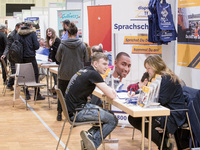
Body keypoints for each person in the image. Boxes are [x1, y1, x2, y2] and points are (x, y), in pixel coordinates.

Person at [128, 55, 186, 149]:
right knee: (133, 118)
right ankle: (164, 142)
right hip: (162, 110)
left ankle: (164, 145)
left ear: (156, 66)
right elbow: (149, 91)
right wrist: (136, 93)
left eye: (148, 68)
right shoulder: (157, 77)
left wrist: (142, 97)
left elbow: (160, 100)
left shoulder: (168, 79)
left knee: (143, 123)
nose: (147, 71)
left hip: (172, 114)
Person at [65, 52, 118, 150]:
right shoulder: (93, 74)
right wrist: (112, 91)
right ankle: (92, 143)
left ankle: (89, 138)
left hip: (73, 109)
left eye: (107, 64)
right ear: (95, 64)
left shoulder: (85, 70)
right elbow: (111, 95)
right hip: (77, 112)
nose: (106, 67)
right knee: (112, 120)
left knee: (109, 114)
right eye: (104, 64)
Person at [55, 22, 88, 121]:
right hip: (77, 76)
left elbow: (57, 58)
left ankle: (59, 114)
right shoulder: (82, 46)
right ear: (77, 33)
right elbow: (86, 60)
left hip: (64, 74)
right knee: (76, 95)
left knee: (61, 95)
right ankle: (74, 114)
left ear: (68, 33)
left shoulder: (62, 45)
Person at [18, 21, 45, 100]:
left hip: (21, 57)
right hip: (31, 57)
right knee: (36, 75)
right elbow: (36, 46)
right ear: (30, 26)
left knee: (24, 75)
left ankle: (27, 94)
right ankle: (37, 94)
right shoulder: (32, 33)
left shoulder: (19, 33)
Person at [1, 22, 23, 90]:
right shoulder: (12, 35)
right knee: (14, 71)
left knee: (17, 71)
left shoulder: (19, 34)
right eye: (21, 27)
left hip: (17, 56)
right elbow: (8, 45)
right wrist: (4, 54)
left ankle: (15, 84)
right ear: (17, 27)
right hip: (12, 56)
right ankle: (9, 84)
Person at [46, 28, 61, 94]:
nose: (48, 32)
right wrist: (50, 58)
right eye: (47, 32)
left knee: (56, 77)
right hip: (53, 61)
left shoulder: (57, 40)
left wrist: (52, 45)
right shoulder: (49, 40)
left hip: (58, 61)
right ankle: (54, 89)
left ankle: (56, 91)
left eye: (49, 31)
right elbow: (51, 51)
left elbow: (58, 50)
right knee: (54, 76)